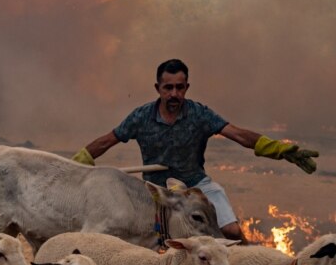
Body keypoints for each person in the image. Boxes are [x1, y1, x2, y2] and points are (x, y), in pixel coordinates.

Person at [72, 58, 318, 242]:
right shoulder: (141, 117)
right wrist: (76, 164)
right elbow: (108, 140)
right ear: (157, 87)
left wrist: (279, 150)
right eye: (168, 88)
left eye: (180, 87)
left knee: (231, 233)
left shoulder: (199, 114)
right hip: (158, 195)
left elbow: (239, 135)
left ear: (187, 87)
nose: (174, 94)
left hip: (197, 187)